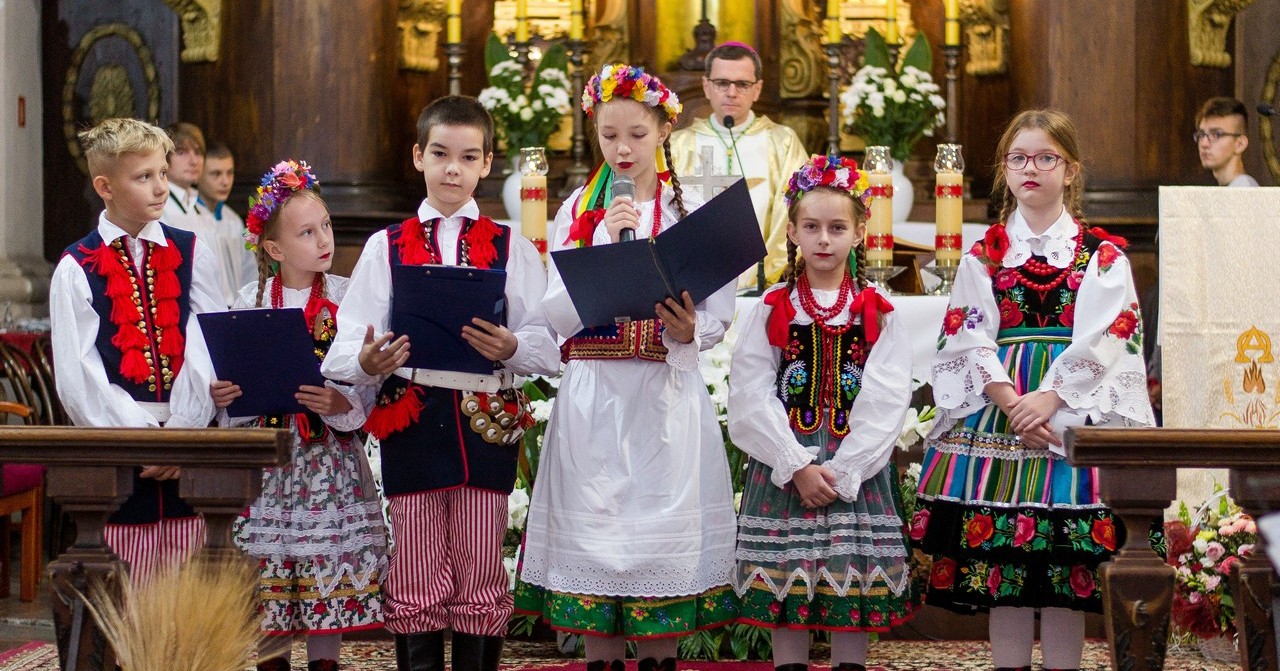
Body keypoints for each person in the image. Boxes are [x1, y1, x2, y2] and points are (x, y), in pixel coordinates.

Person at [321, 95, 560, 671]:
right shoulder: (386, 246)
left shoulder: (514, 247)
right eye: (440, 154)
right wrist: (371, 362)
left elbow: (549, 343)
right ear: (417, 157)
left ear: (487, 164)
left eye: (468, 156)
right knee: (416, 558)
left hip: (487, 421)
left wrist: (512, 346)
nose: (453, 168)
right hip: (414, 417)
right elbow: (345, 345)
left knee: (481, 557)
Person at [911, 109, 1155, 671]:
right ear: (1004, 169)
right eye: (1019, 158)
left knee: (1065, 571)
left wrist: (1049, 398)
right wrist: (1008, 399)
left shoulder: (1103, 255)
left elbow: (1109, 334)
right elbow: (966, 331)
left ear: (1069, 170)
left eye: (1046, 158)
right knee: (1004, 568)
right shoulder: (984, 255)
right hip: (1000, 414)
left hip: (1070, 414)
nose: (1031, 168)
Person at [516, 63, 739, 671]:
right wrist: (600, 250)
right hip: (595, 398)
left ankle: (660, 659)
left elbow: (720, 313)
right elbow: (550, 313)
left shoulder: (688, 208)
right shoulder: (574, 212)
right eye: (609, 134)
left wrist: (692, 329)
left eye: (636, 134)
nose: (622, 148)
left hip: (663, 393)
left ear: (663, 130)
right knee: (597, 536)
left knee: (657, 545)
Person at [180, 160, 389, 671]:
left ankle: (325, 663)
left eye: (327, 227)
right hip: (267, 471)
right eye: (306, 232)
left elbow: (370, 383)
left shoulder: (348, 298)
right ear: (273, 249)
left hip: (327, 467)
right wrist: (225, 396)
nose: (324, 240)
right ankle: (271, 663)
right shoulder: (244, 303)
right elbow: (229, 389)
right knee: (268, 594)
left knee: (324, 588)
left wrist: (342, 403)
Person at [728, 155, 917, 671]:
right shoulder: (773, 306)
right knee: (787, 587)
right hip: (786, 465)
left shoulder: (876, 310)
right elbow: (748, 392)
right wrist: (795, 463)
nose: (824, 239)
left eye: (837, 228)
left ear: (860, 232)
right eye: (811, 227)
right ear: (791, 232)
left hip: (853, 470)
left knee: (847, 586)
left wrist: (844, 470)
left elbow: (885, 401)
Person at [49, 117, 223, 583]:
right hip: (122, 449)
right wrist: (142, 437)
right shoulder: (75, 267)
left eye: (163, 173)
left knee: (191, 581)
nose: (160, 187)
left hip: (189, 441)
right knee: (132, 580)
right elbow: (78, 375)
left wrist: (183, 429)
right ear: (105, 186)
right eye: (144, 177)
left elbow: (208, 342)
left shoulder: (192, 251)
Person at [669, 42, 808, 291]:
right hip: (694, 289)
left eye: (742, 84)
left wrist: (771, 275)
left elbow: (797, 211)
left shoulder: (782, 141)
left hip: (766, 288)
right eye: (722, 83)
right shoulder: (679, 145)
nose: (731, 92)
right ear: (706, 86)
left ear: (757, 89)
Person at [196, 140, 258, 299]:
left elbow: (249, 271)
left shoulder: (234, 220)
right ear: (198, 174)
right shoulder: (189, 217)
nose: (225, 181)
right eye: (216, 174)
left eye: (229, 173)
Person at [1195, 96, 1259, 187]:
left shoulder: (1244, 190)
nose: (1204, 143)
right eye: (1201, 135)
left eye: (1216, 134)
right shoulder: (1231, 188)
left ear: (1240, 144)